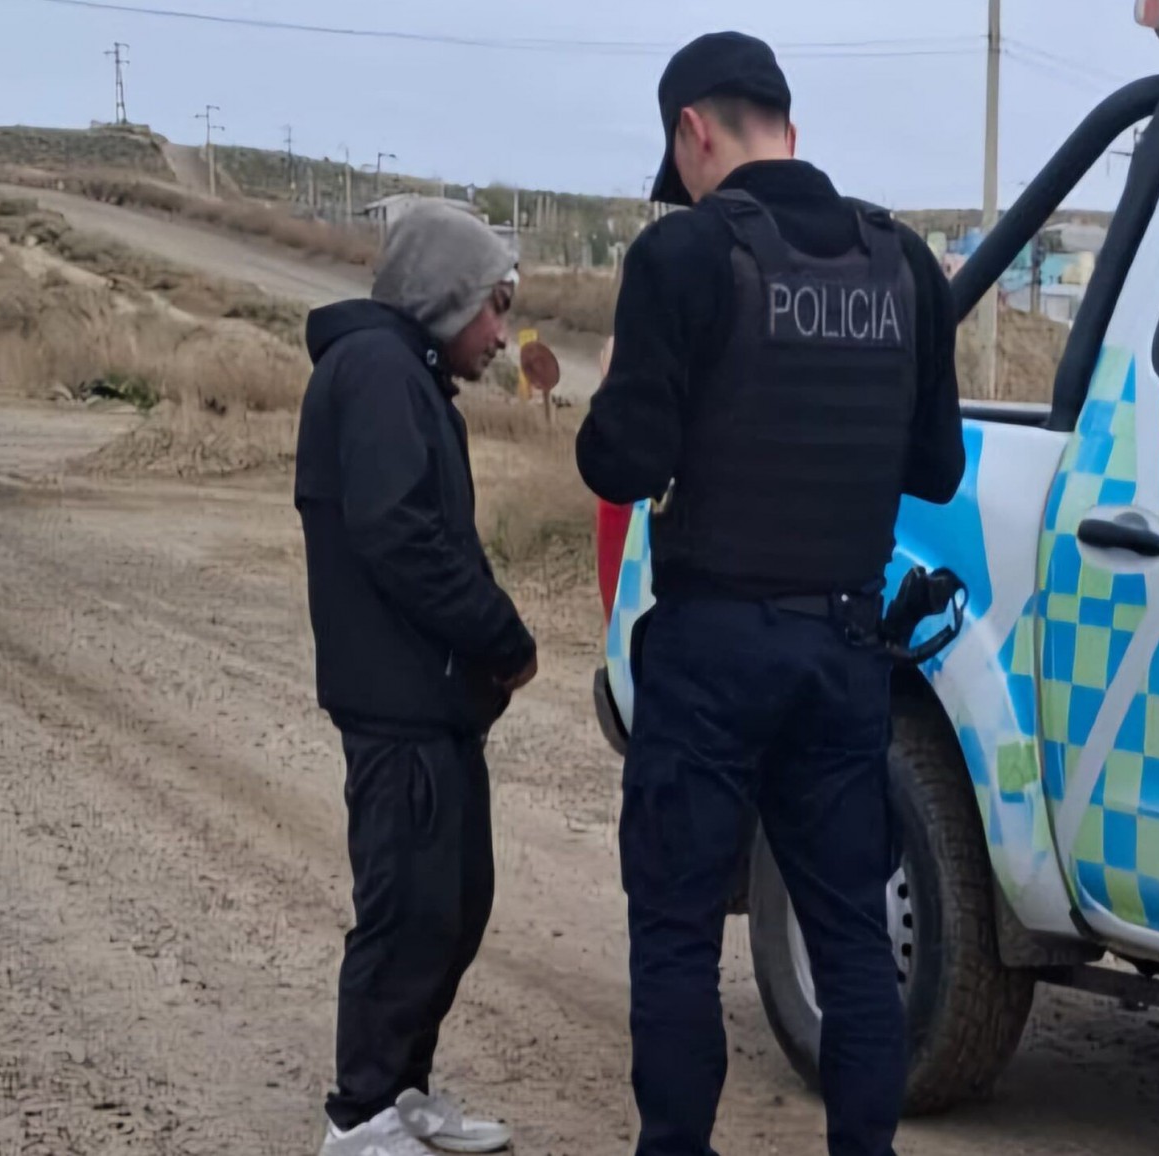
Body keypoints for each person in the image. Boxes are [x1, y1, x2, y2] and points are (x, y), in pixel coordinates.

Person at [575, 31, 965, 1156]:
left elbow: (619, 464)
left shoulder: (684, 259)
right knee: (849, 933)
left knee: (679, 933)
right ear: (785, 124)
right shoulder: (904, 265)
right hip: (844, 651)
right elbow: (935, 469)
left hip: (710, 653)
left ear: (694, 132)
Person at [295, 200, 537, 1156]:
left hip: (432, 703)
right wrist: (501, 636)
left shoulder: (407, 375)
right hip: (396, 701)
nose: (503, 335)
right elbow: (401, 535)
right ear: (445, 299)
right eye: (496, 309)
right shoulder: (377, 373)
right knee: (406, 911)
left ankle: (402, 1097)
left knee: (454, 904)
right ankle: (358, 1119)